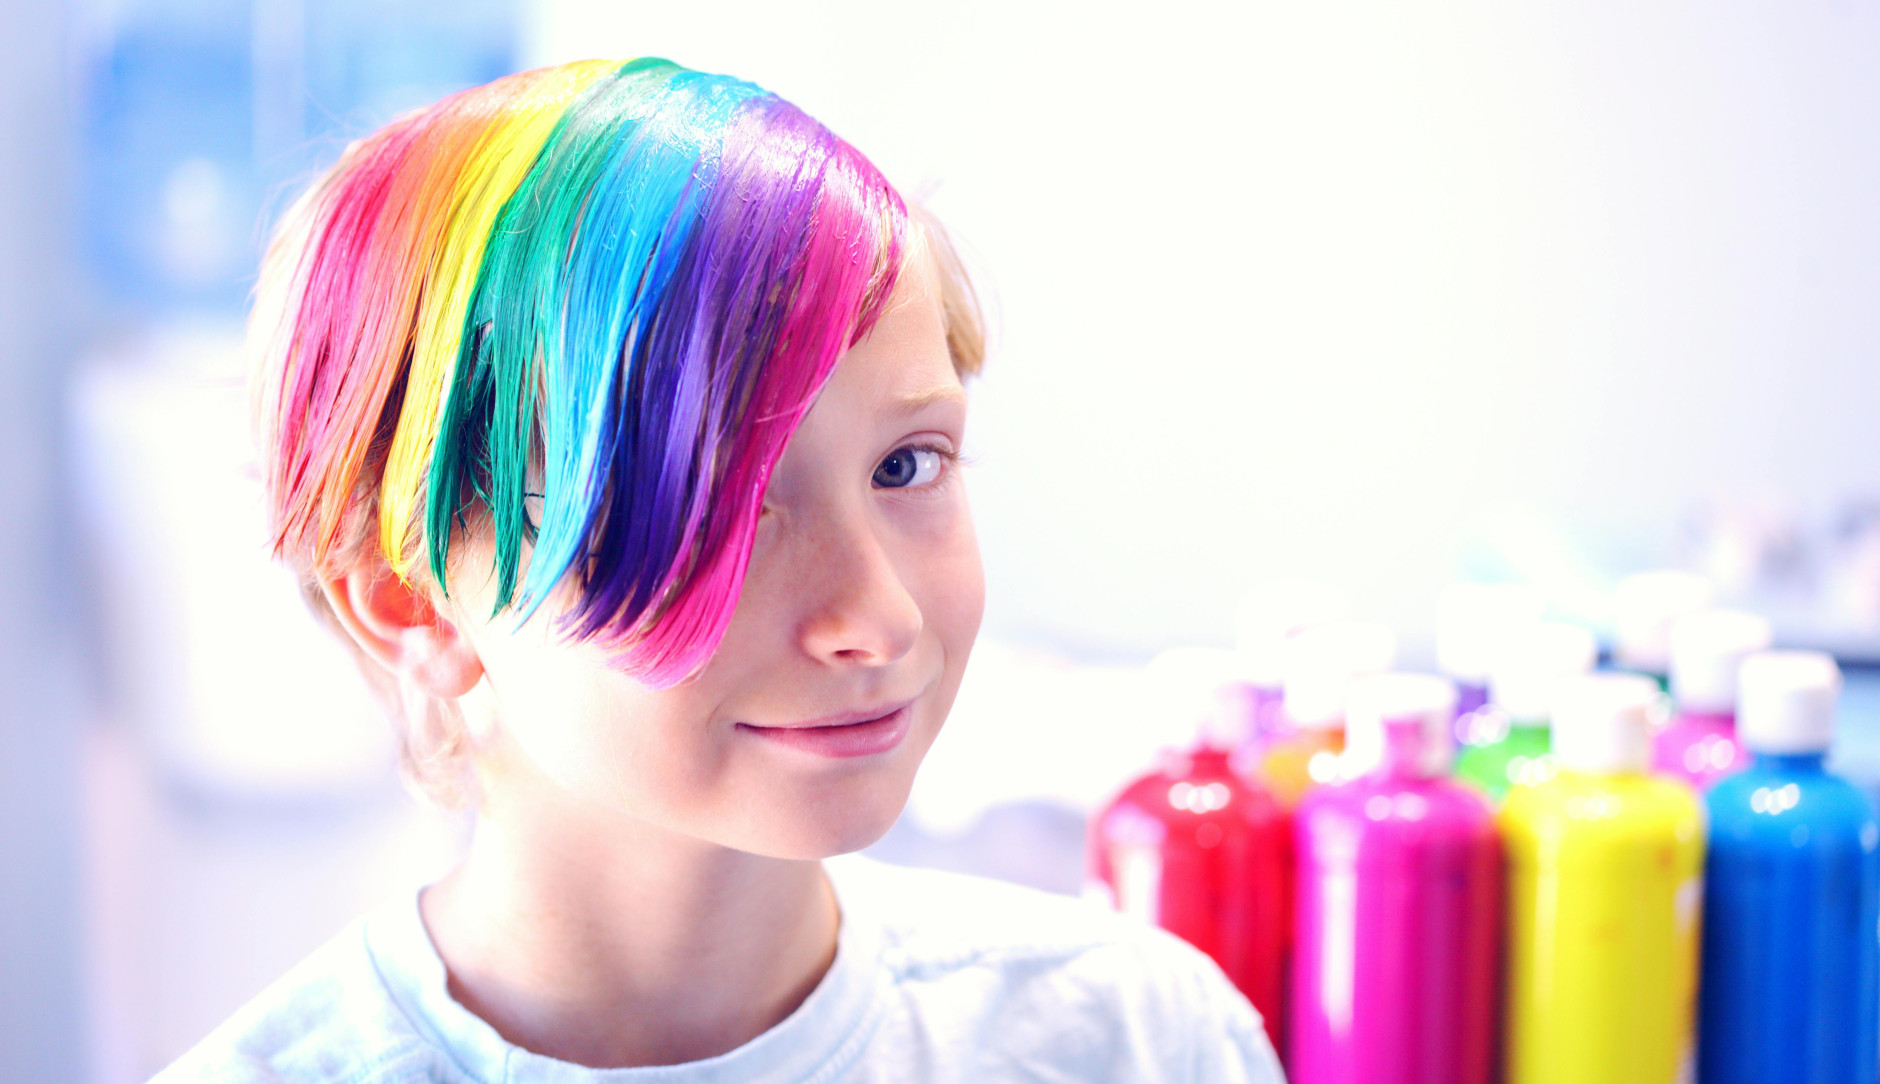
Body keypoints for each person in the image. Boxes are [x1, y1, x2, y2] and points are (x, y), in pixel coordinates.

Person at [156, 57, 1284, 1082]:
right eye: (716, 507)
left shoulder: (1128, 1039)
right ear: (415, 603)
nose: (877, 618)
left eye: (904, 463)